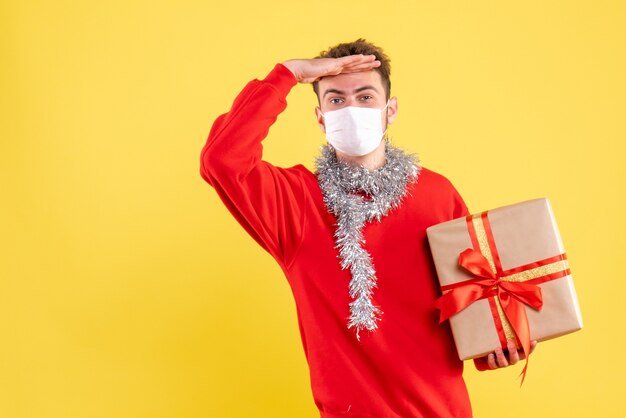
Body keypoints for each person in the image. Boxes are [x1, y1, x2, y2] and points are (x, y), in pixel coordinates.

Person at [199, 39, 533, 418]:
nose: (351, 109)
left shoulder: (438, 195)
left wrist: (497, 347)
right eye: (336, 100)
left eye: (365, 96)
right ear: (321, 117)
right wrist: (286, 75)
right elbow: (222, 159)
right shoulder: (294, 203)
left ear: (390, 111)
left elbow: (472, 299)